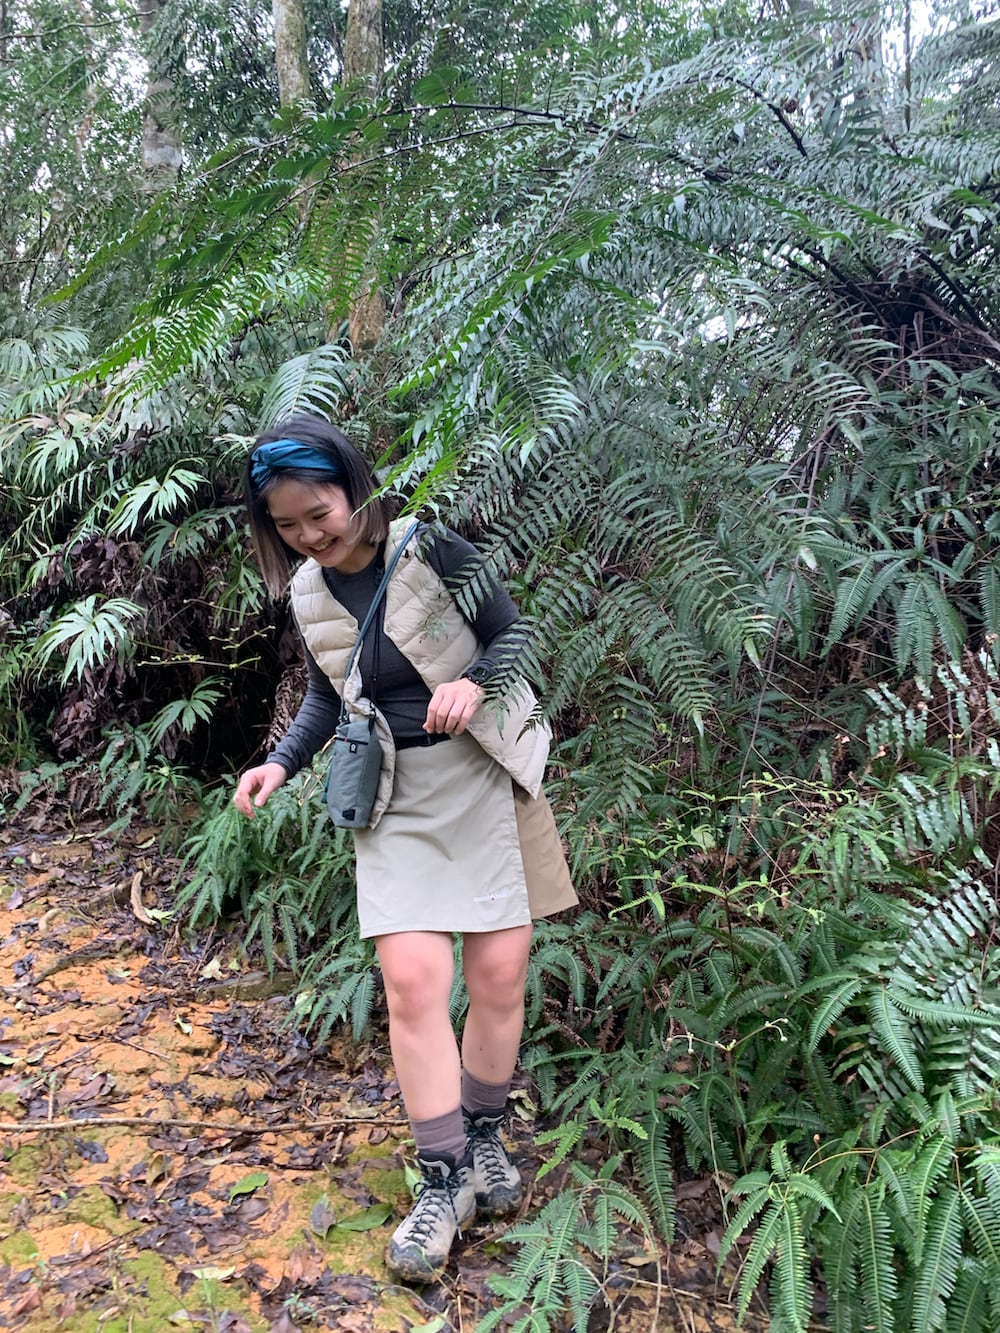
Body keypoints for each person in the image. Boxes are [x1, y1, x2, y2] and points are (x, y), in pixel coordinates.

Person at [232, 414, 577, 1281]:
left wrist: (474, 679)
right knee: (414, 983)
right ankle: (445, 1176)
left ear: (352, 486)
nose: (312, 533)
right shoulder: (309, 594)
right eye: (290, 525)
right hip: (394, 797)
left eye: (321, 511)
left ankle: (489, 1139)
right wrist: (278, 763)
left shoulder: (434, 550)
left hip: (486, 775)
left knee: (498, 976)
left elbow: (517, 633)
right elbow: (328, 696)